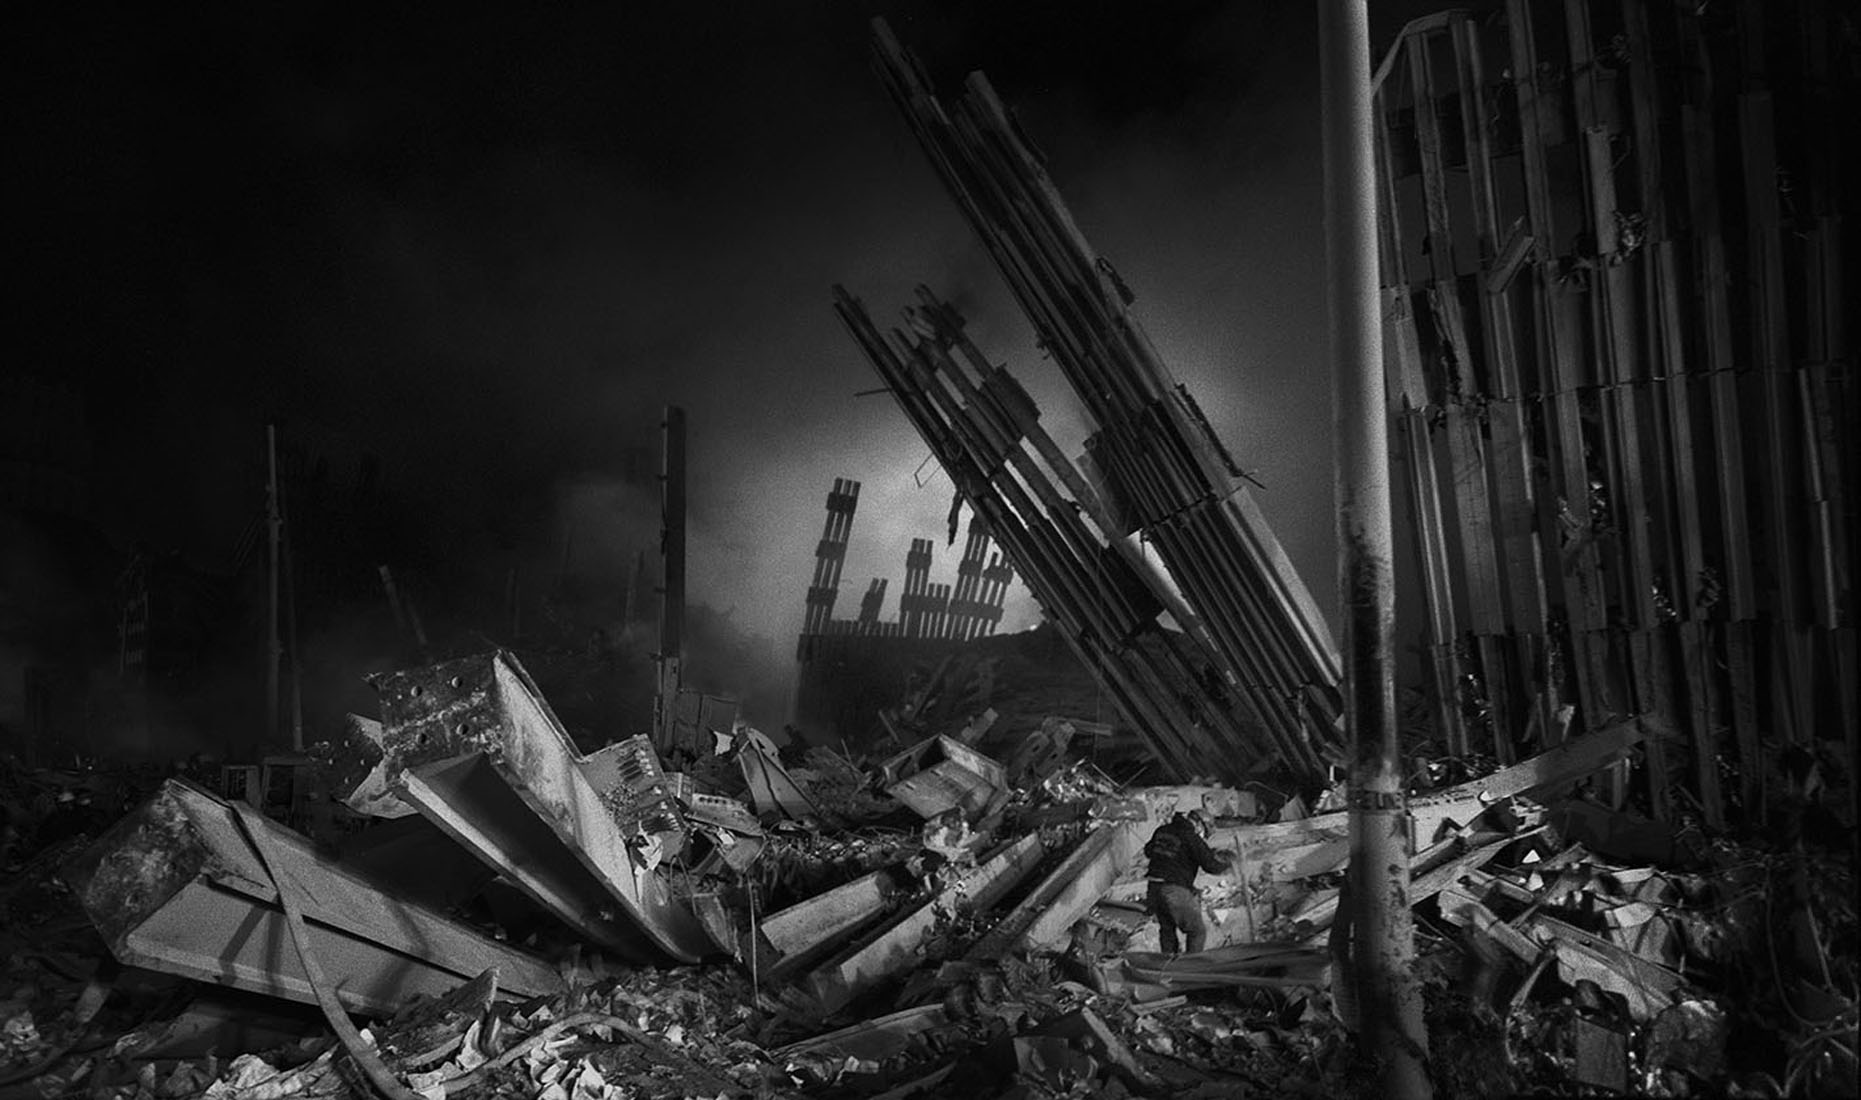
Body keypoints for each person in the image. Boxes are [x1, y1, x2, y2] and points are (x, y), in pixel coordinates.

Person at [1143, 809, 1232, 955]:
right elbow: (1210, 865)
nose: (1203, 835)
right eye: (1205, 831)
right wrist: (1228, 865)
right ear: (1199, 824)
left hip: (1153, 888)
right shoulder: (1191, 837)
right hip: (1173, 890)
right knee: (1197, 931)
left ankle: (1168, 967)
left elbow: (1149, 851)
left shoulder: (1162, 830)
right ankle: (1192, 968)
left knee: (1167, 930)